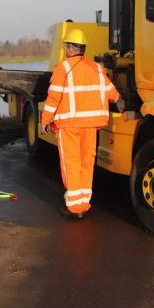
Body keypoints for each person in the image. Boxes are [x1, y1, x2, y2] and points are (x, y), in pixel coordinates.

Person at [40, 30, 123, 219]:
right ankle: (83, 202)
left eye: (66, 46)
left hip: (69, 125)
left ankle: (74, 208)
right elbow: (113, 94)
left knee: (71, 163)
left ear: (70, 48)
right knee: (87, 162)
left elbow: (53, 98)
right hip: (91, 125)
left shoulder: (63, 68)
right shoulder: (96, 68)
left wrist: (45, 120)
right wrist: (122, 102)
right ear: (83, 48)